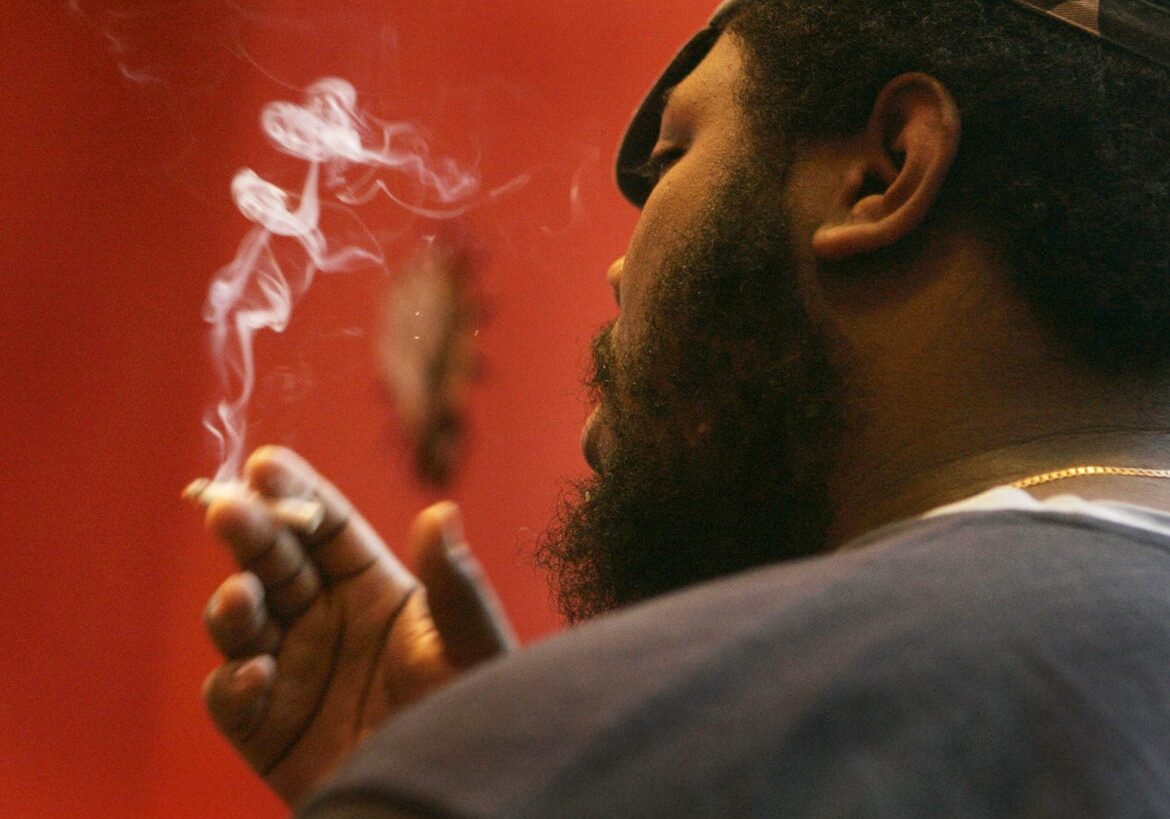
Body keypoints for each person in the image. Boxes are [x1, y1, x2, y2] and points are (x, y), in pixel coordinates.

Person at [198, 0, 1170, 815]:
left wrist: (503, 768)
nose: (621, 266)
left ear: (882, 172)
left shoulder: (672, 745)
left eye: (671, 156)